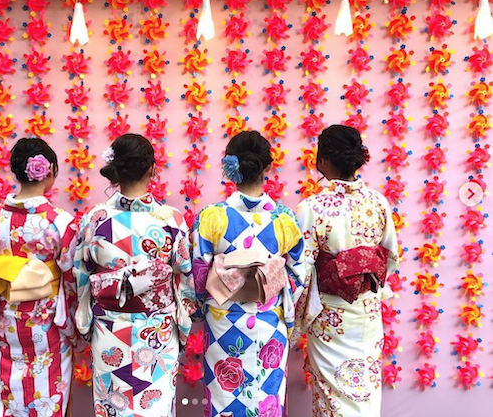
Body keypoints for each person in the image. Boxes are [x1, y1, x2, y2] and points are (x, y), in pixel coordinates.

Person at [73, 133, 196, 417]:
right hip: (158, 334)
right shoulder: (171, 219)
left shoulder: (95, 219)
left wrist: (86, 324)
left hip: (109, 331)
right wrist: (183, 324)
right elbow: (184, 279)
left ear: (116, 170)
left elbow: (80, 275)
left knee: (111, 409)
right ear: (152, 169)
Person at [190, 130, 307, 417]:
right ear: (267, 167)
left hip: (222, 324)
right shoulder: (284, 218)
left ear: (232, 168)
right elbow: (298, 275)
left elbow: (198, 278)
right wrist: (270, 288)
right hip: (269, 325)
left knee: (223, 403)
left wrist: (212, 299)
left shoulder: (211, 217)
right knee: (266, 402)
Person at [296, 125, 399, 417]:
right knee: (365, 393)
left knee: (331, 397)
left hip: (330, 319)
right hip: (366, 314)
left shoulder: (311, 207)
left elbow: (300, 269)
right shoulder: (378, 202)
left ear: (323, 160)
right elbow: (390, 257)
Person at [0, 137, 82, 417]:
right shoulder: (60, 221)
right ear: (50, 171)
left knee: (9, 387)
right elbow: (71, 278)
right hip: (47, 321)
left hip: (7, 316)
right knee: (50, 389)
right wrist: (73, 321)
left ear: (17, 171)